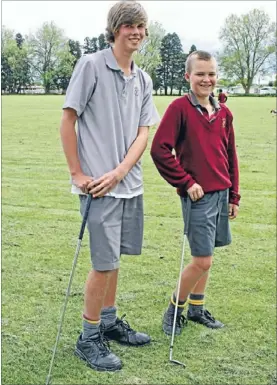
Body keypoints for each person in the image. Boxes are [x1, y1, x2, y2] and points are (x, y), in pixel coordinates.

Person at [60, 0, 159, 371]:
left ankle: (108, 320)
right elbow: (68, 120)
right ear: (115, 28)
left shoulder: (144, 78)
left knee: (115, 261)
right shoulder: (90, 65)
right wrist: (77, 174)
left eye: (141, 26)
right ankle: (88, 338)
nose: (136, 31)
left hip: (128, 184)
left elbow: (143, 133)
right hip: (97, 188)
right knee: (102, 264)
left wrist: (121, 171)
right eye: (129, 25)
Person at [150, 50, 240, 336]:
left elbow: (230, 155)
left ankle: (197, 309)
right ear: (188, 76)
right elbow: (159, 150)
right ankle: (174, 309)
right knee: (203, 259)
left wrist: (234, 194)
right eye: (200, 74)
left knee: (208, 254)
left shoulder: (224, 112)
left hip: (221, 192)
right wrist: (186, 182)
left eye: (211, 73)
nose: (206, 79)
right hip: (197, 196)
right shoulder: (179, 108)